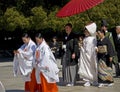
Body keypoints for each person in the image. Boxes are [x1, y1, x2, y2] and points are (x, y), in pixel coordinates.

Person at [78, 22, 98, 87]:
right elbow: (84, 47)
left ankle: (94, 80)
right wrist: (81, 46)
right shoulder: (85, 39)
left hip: (92, 56)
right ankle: (87, 80)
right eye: (85, 31)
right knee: (86, 68)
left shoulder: (93, 38)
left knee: (93, 67)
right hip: (85, 56)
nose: (85, 32)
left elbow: (94, 46)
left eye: (86, 31)